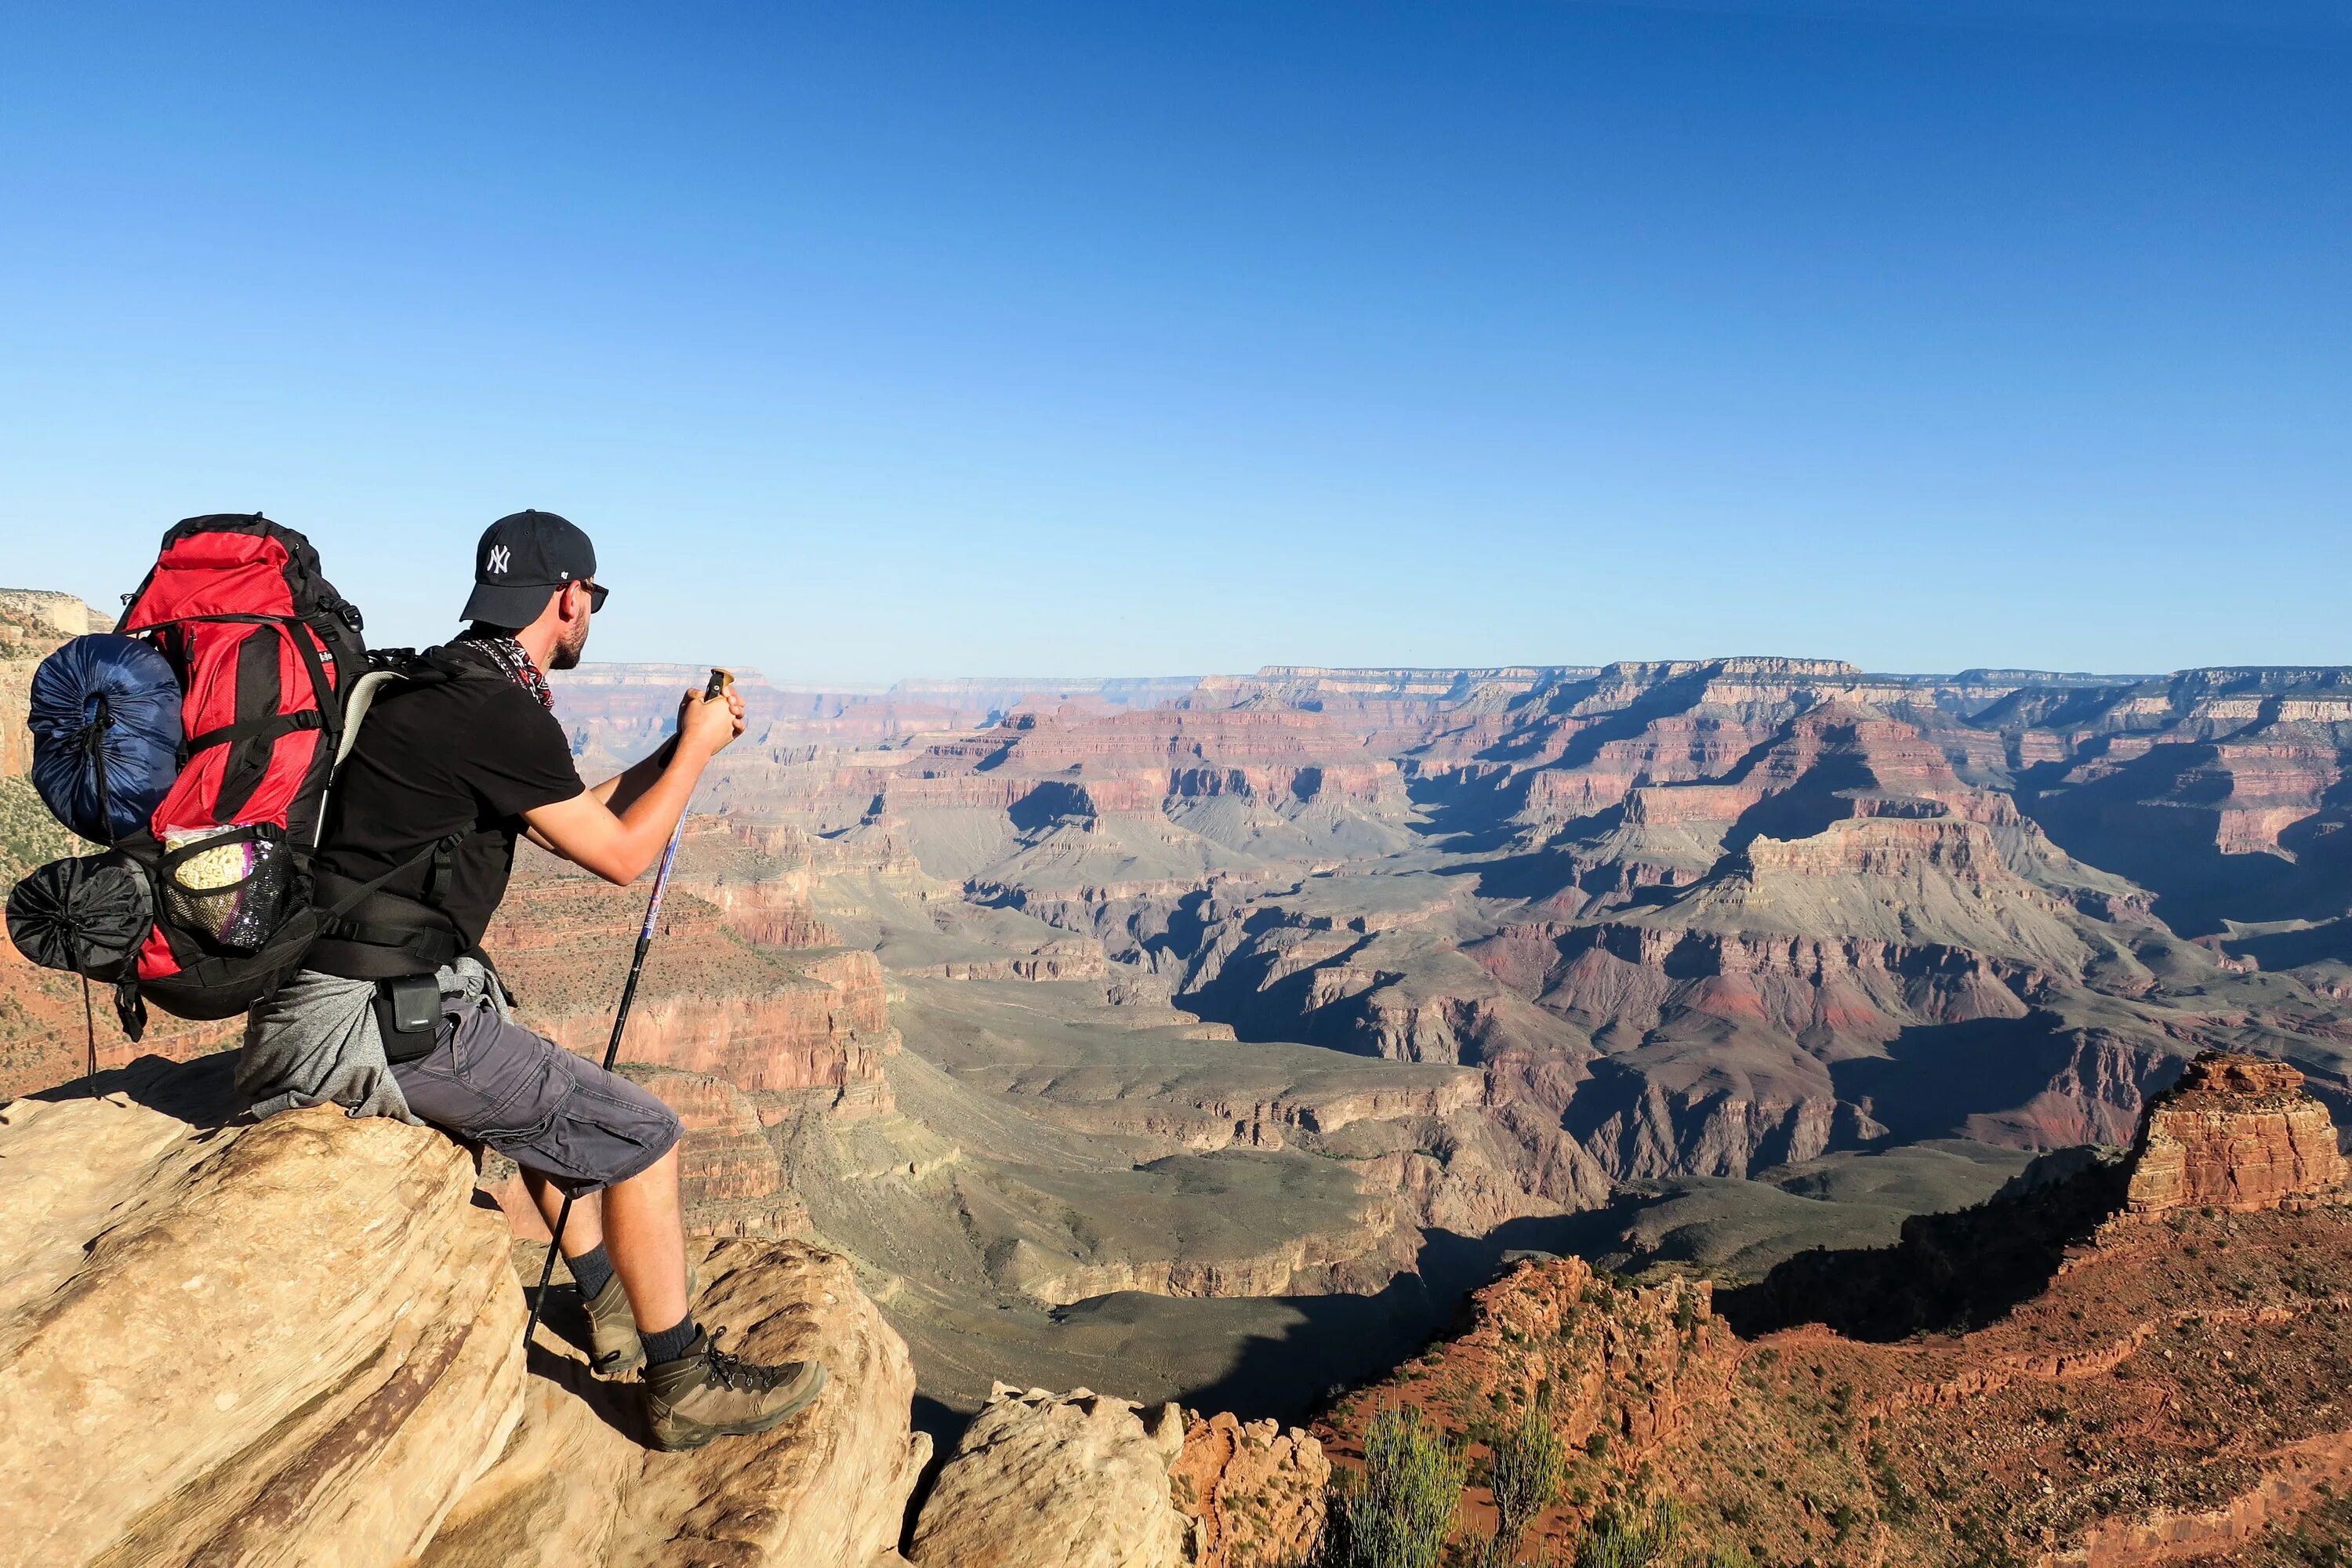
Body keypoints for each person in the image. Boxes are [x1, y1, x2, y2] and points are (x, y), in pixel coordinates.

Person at [238, 509, 826, 1452]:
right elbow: (624, 854)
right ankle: (679, 1380)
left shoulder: (445, 681)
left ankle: (606, 1309)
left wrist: (677, 747)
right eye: (591, 596)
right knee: (644, 1135)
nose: (590, 611)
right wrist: (702, 753)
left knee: (537, 1075)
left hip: (339, 991)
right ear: (568, 596)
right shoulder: (494, 708)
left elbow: (572, 811)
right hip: (365, 1020)